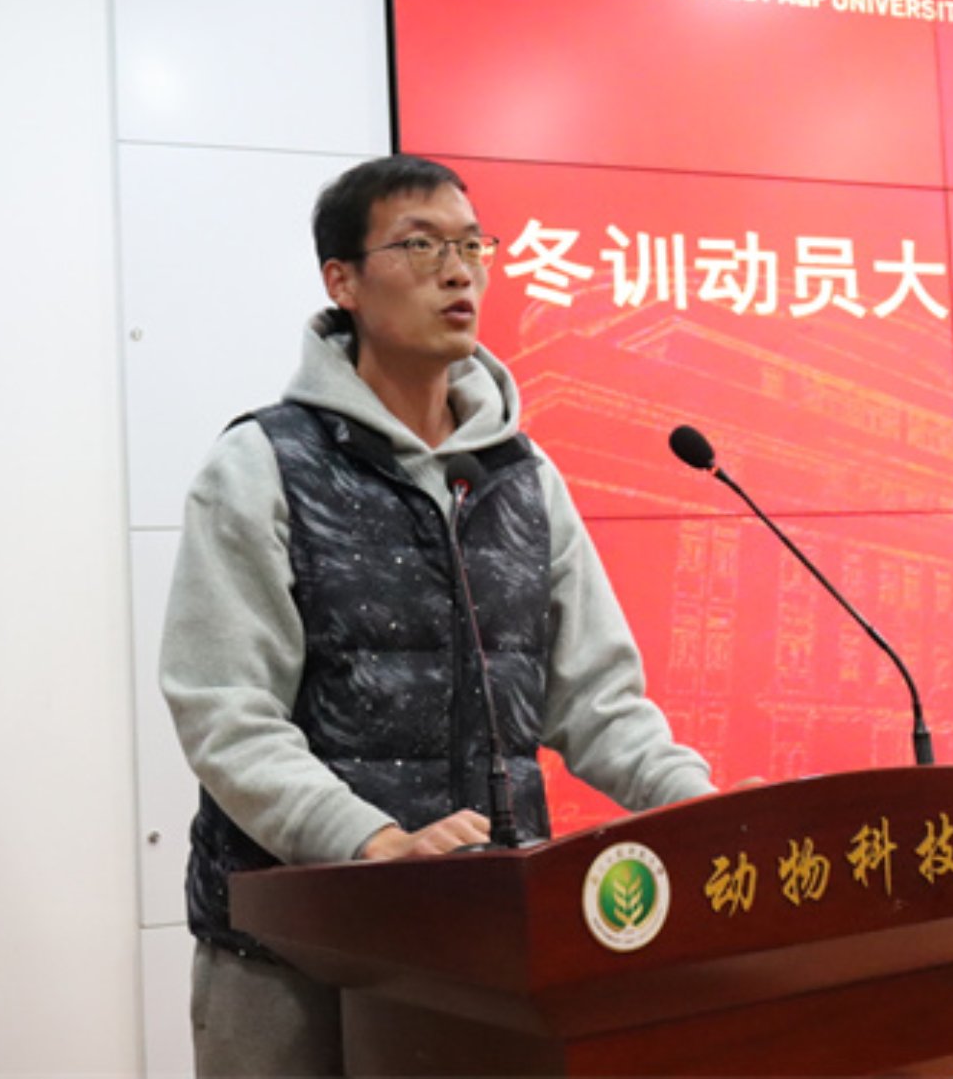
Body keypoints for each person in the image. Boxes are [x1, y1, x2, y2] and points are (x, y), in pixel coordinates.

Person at [161, 154, 715, 1075]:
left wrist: (704, 813)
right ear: (341, 281)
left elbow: (597, 702)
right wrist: (370, 841)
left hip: (487, 945)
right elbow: (226, 713)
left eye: (470, 246)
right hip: (292, 952)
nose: (457, 272)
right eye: (420, 246)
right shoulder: (263, 463)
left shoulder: (523, 477)